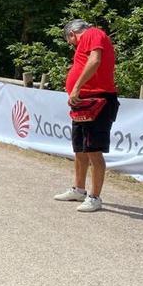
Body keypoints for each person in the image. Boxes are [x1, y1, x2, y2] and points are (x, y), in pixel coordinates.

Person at [53, 19, 119, 213]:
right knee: (80, 149)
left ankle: (94, 196)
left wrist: (76, 87)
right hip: (84, 101)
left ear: (72, 33)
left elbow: (95, 60)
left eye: (70, 42)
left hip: (96, 99)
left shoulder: (92, 34)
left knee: (94, 151)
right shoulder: (87, 39)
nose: (72, 45)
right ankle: (79, 189)